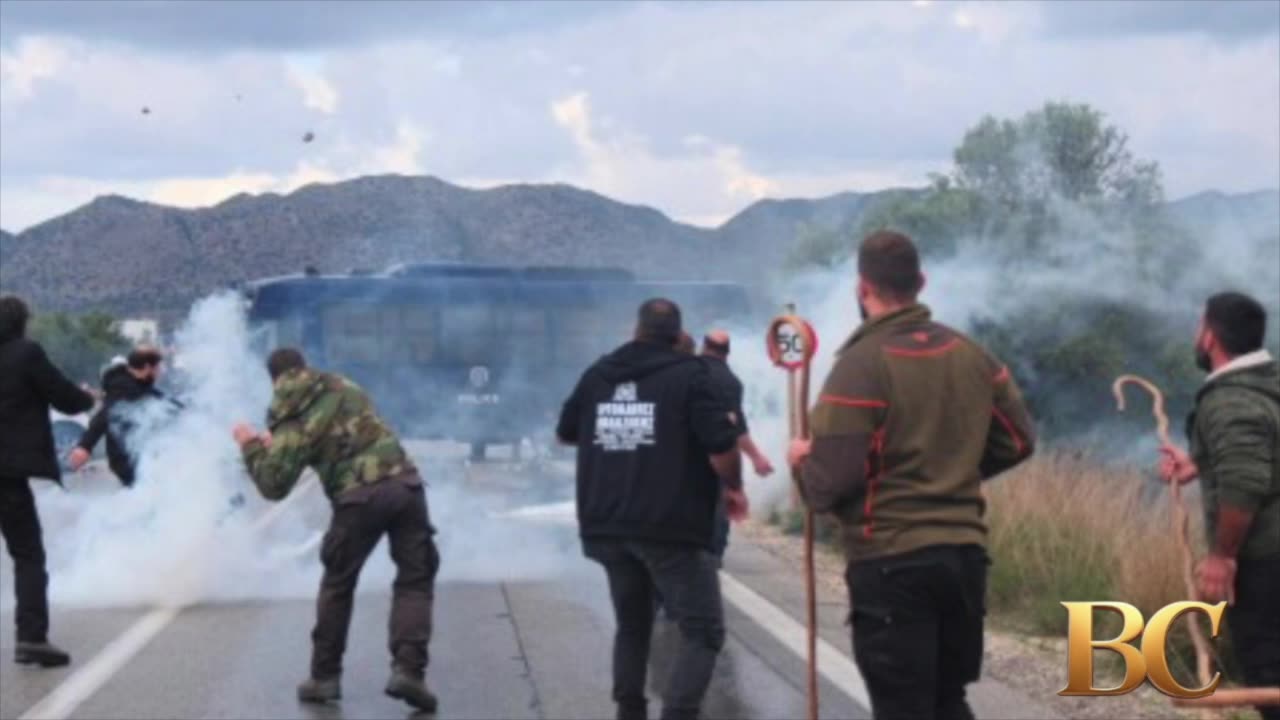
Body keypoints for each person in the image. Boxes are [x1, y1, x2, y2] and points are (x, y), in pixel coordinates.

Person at [787, 231, 1035, 720]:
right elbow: (1020, 440)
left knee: (904, 708)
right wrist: (955, 469)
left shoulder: (860, 365)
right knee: (947, 702)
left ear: (862, 289)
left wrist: (801, 462)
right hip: (963, 560)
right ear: (920, 282)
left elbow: (828, 484)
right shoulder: (972, 355)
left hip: (892, 563)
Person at [557, 298, 747, 720]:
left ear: (635, 329)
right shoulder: (692, 376)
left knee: (633, 624)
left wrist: (619, 431)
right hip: (669, 525)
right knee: (703, 631)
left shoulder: (598, 375)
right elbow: (722, 445)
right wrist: (733, 487)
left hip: (605, 524)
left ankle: (629, 711)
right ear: (678, 335)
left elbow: (568, 433)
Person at [232, 348, 440, 712]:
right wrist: (276, 441)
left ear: (274, 379)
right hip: (406, 487)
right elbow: (341, 432)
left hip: (357, 498)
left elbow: (274, 484)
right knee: (414, 582)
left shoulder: (288, 410)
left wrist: (249, 445)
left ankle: (325, 677)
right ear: (303, 365)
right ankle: (410, 671)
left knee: (338, 586)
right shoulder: (342, 384)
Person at [1159, 292, 1279, 720]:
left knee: (1269, 672)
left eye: (1198, 328)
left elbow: (1246, 482)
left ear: (1210, 337)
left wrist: (1222, 556)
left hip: (1266, 563)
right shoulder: (1267, 386)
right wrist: (1202, 463)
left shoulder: (1230, 400)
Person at [0, 295, 96, 667]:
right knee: (28, 555)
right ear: (21, 323)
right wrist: (88, 400)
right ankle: (32, 638)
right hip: (7, 475)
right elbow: (66, 398)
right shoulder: (26, 354)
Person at [700, 330, 774, 560]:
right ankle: (712, 559)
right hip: (715, 461)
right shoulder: (729, 382)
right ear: (727, 353)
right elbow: (735, 428)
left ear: (703, 347)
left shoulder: (684, 371)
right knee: (715, 519)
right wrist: (756, 459)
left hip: (676, 462)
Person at [68, 345, 173, 487]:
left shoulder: (135, 383)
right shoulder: (124, 388)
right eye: (158, 368)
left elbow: (157, 398)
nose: (160, 372)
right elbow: (105, 415)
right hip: (128, 458)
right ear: (148, 367)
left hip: (135, 455)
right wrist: (85, 446)